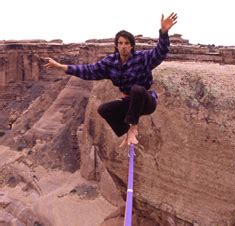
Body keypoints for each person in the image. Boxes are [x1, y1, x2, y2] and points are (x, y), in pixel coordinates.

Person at [44, 12, 177, 147]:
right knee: (104, 109)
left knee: (137, 89)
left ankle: (133, 128)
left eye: (127, 43)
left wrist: (164, 32)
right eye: (120, 43)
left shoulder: (142, 58)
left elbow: (160, 52)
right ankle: (126, 133)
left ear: (131, 46)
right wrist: (61, 67)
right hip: (130, 103)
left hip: (146, 101)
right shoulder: (110, 63)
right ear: (116, 46)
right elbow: (88, 71)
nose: (123, 46)